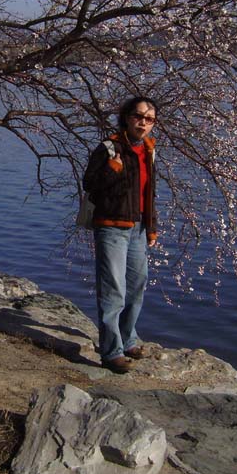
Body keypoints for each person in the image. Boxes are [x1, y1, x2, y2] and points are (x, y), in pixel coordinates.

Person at [82, 97, 158, 374]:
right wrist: (111, 171)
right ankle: (111, 351)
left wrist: (152, 226)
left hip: (138, 228)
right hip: (112, 227)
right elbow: (89, 184)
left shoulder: (148, 150)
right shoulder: (109, 148)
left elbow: (149, 192)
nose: (143, 123)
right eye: (138, 116)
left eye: (149, 119)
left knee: (137, 285)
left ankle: (128, 339)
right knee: (114, 289)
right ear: (126, 117)